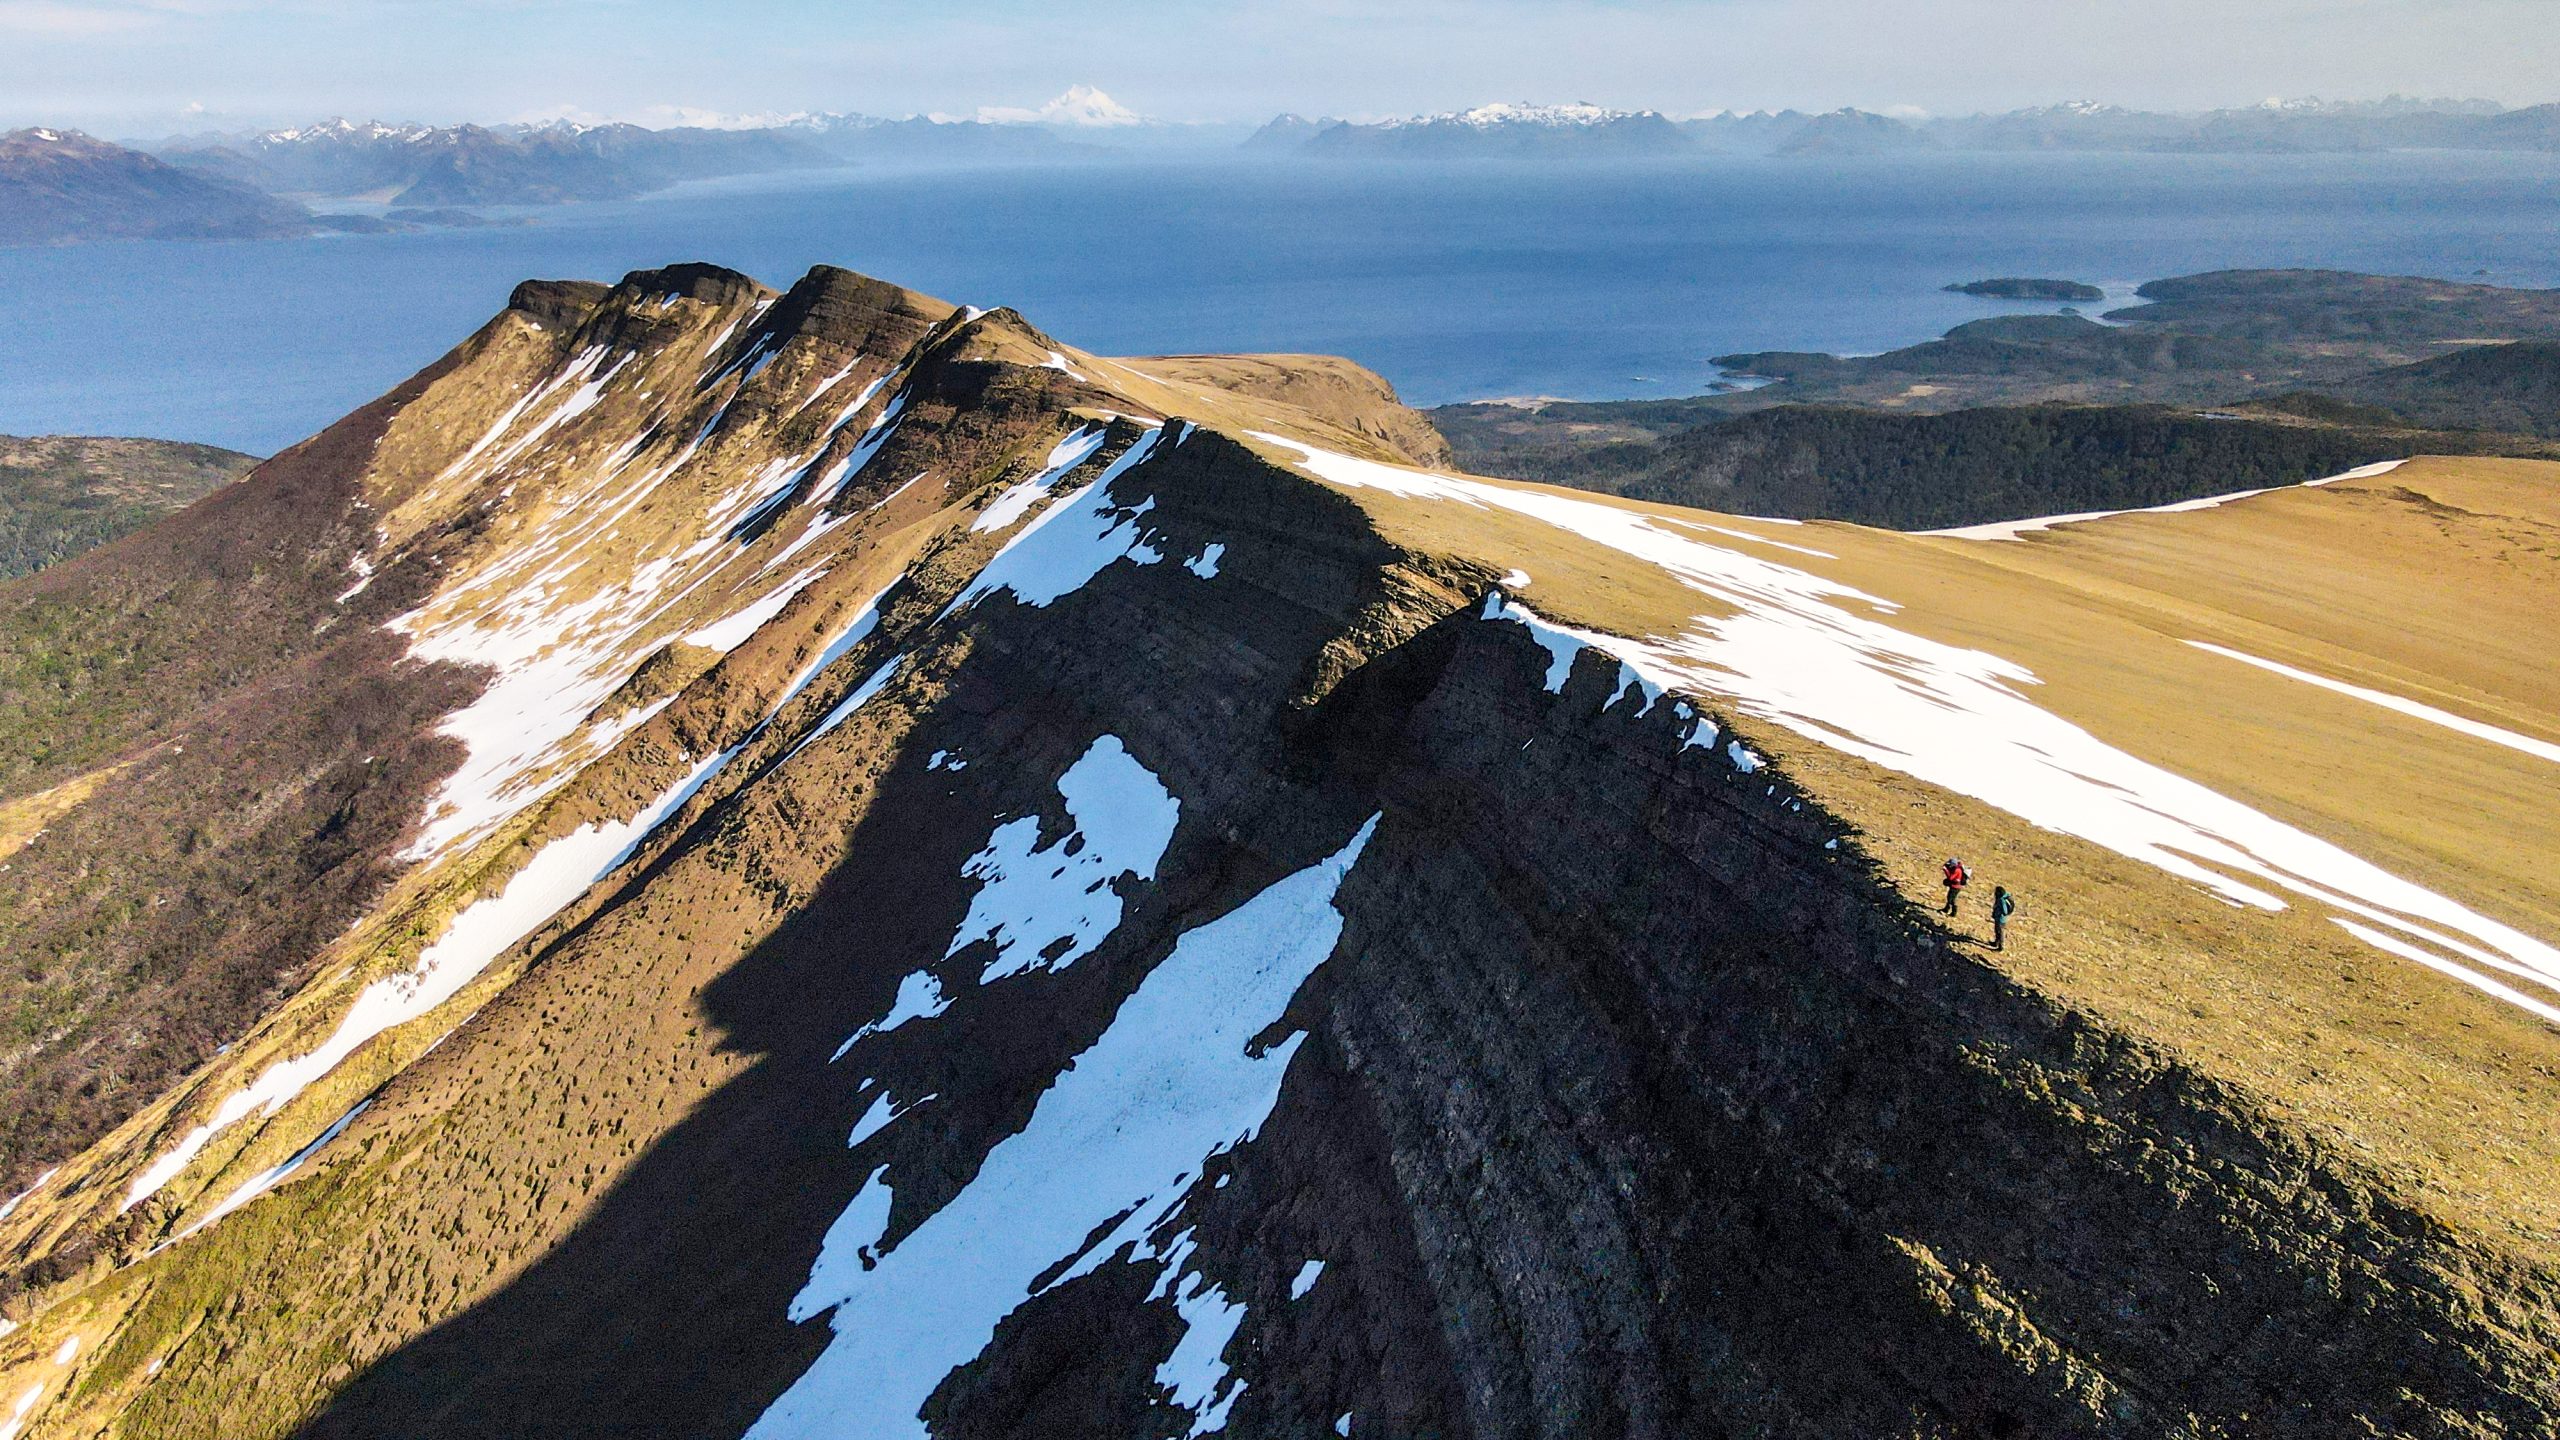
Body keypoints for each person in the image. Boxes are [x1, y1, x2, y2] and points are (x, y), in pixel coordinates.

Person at [1992, 886, 2017, 950]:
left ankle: (2001, 946)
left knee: (2000, 932)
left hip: (2000, 919)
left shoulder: (2001, 900)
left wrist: (1998, 913)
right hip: (2003, 918)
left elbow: (2004, 911)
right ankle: (1996, 942)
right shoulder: (2005, 896)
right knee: (1997, 931)